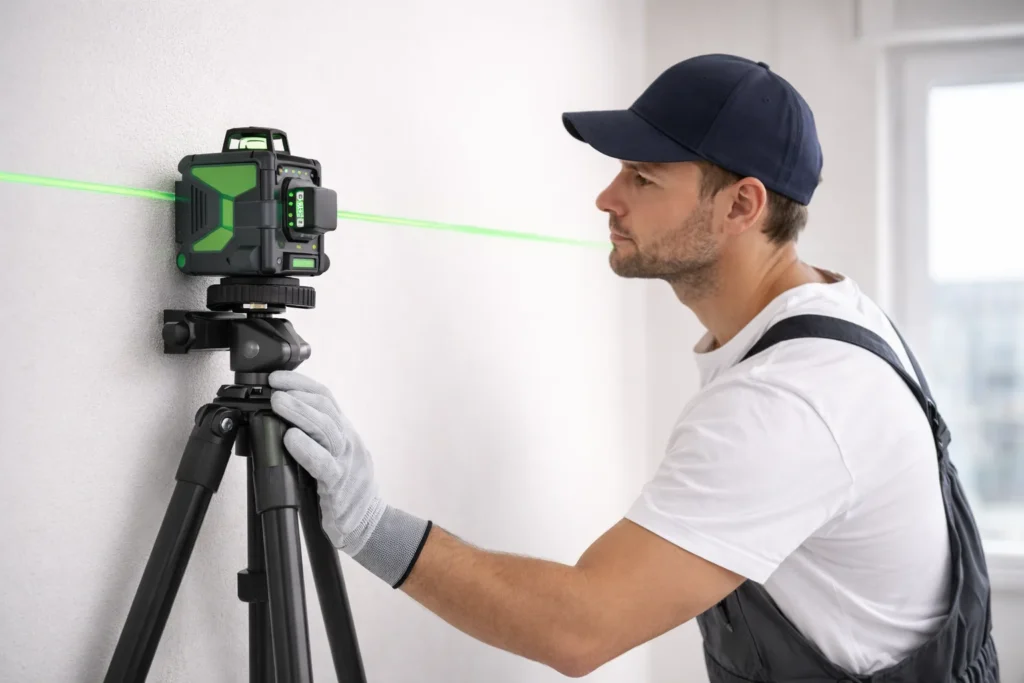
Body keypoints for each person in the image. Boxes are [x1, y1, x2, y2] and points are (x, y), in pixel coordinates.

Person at [267, 53, 998, 681]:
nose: (606, 198)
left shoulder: (790, 399)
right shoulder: (830, 312)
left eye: (643, 178)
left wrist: (368, 524)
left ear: (743, 204)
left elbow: (581, 627)